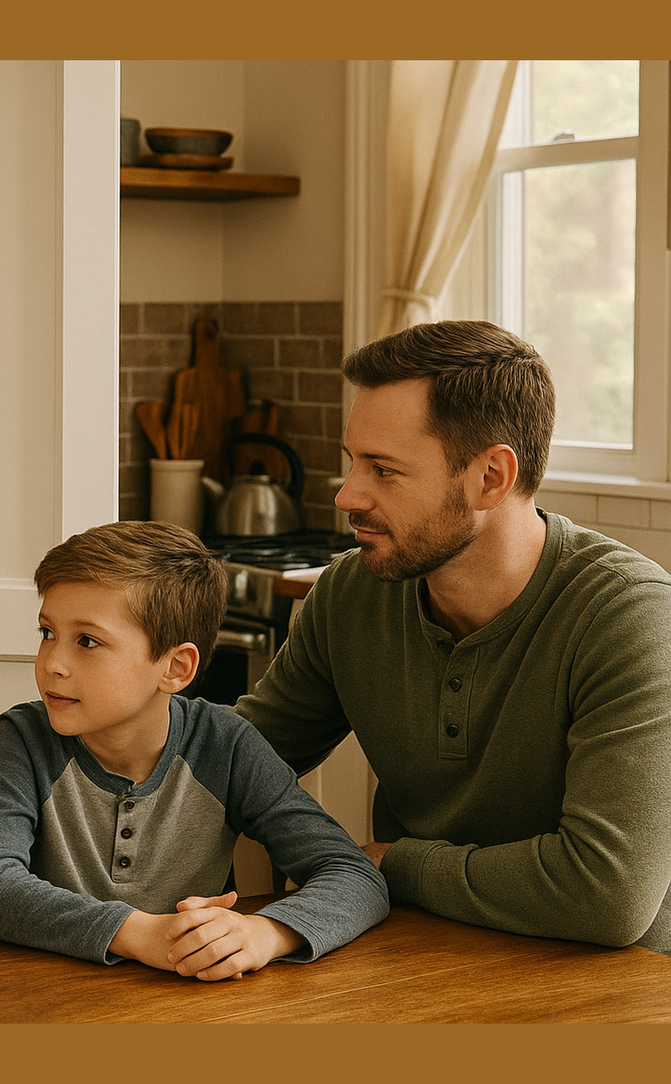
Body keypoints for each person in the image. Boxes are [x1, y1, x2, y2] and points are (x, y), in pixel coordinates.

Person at [236, 319, 671, 952]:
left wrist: (395, 865)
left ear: (491, 477)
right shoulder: (350, 593)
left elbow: (606, 894)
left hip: (610, 992)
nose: (347, 495)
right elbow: (230, 763)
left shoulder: (629, 617)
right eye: (352, 462)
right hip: (416, 958)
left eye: (384, 470)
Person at [0, 521, 388, 980]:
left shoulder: (226, 745)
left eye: (87, 641)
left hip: (196, 998)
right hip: (46, 994)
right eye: (47, 632)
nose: (52, 664)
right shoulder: (22, 738)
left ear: (175, 667)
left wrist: (264, 934)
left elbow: (354, 874)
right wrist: (140, 933)